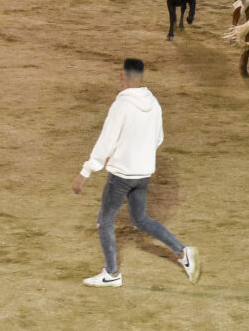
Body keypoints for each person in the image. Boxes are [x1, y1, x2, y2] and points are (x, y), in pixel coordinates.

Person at [73, 58, 200, 288]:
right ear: (141, 78)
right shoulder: (154, 103)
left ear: (123, 77)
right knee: (140, 219)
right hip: (143, 173)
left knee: (105, 220)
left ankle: (111, 274)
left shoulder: (121, 105)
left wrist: (86, 171)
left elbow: (106, 141)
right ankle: (183, 253)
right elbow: (158, 138)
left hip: (122, 175)